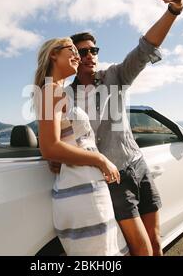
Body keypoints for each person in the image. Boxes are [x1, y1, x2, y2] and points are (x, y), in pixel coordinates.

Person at [50, 0, 183, 256]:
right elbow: (54, 140)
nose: (89, 55)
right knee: (142, 250)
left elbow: (145, 48)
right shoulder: (64, 97)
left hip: (138, 165)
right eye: (81, 51)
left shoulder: (115, 77)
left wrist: (173, 10)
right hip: (112, 178)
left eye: (93, 50)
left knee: (157, 241)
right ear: (73, 57)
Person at [33, 37, 129, 256]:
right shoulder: (51, 90)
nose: (78, 55)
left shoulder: (56, 91)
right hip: (83, 192)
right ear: (54, 54)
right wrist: (101, 160)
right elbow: (49, 147)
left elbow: (60, 143)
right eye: (72, 49)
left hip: (86, 187)